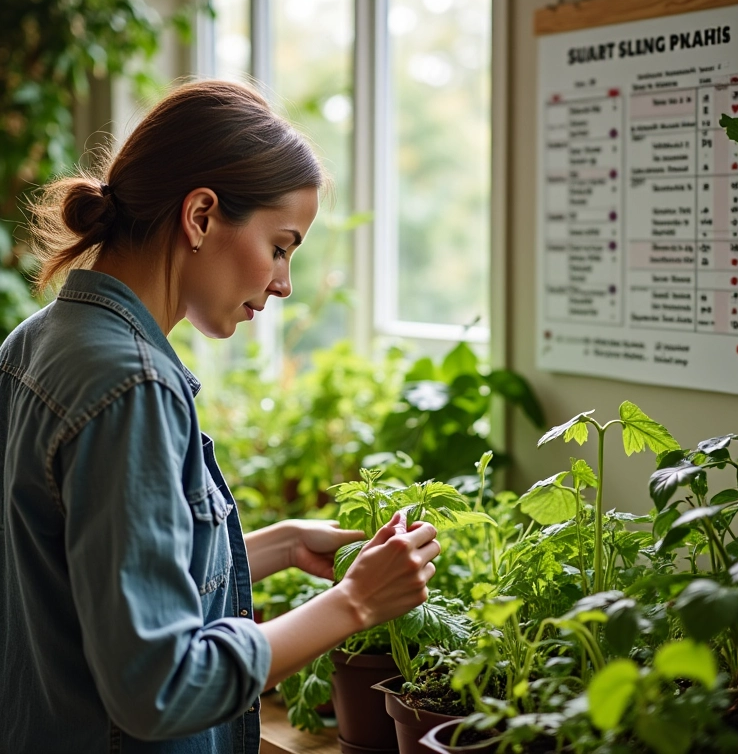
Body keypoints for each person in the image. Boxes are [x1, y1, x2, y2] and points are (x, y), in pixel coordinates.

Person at [0, 79, 440, 753]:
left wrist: (279, 545)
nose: (284, 282)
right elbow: (159, 686)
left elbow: (75, 579)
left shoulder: (35, 343)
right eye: (281, 245)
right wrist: (355, 604)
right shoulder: (133, 387)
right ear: (201, 215)